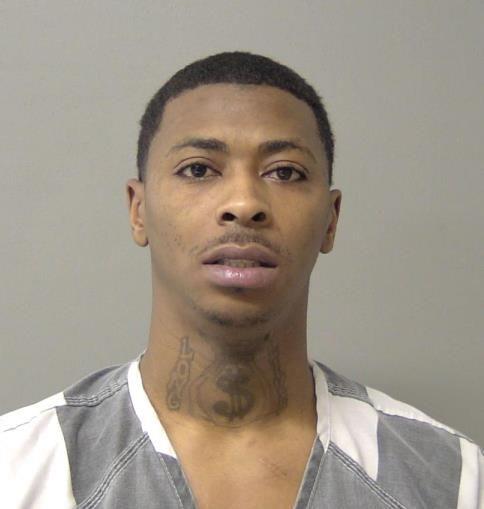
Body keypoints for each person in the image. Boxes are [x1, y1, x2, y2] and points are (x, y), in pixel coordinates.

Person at [0, 52, 482, 509]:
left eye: (285, 172)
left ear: (331, 220)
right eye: (198, 169)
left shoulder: (450, 479)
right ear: (138, 210)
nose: (244, 203)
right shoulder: (18, 468)